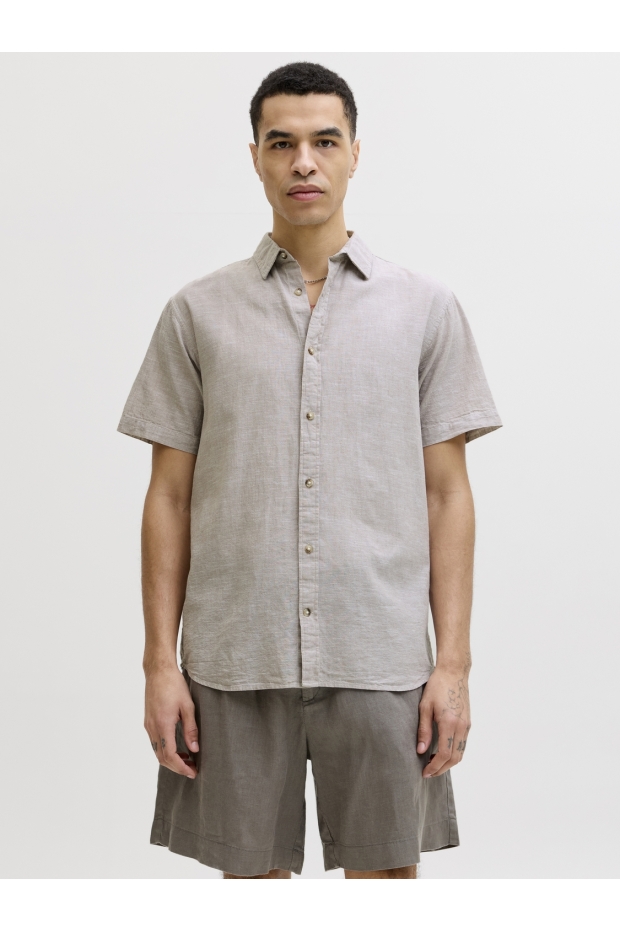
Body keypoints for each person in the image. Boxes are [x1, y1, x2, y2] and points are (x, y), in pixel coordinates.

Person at [117, 61, 503, 879]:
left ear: (356, 153)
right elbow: (169, 498)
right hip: (234, 658)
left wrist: (453, 664)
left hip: (381, 656)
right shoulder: (197, 313)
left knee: (386, 883)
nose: (304, 162)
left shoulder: (425, 309)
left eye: (325, 141)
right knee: (251, 885)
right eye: (281, 143)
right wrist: (159, 664)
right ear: (255, 157)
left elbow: (447, 495)